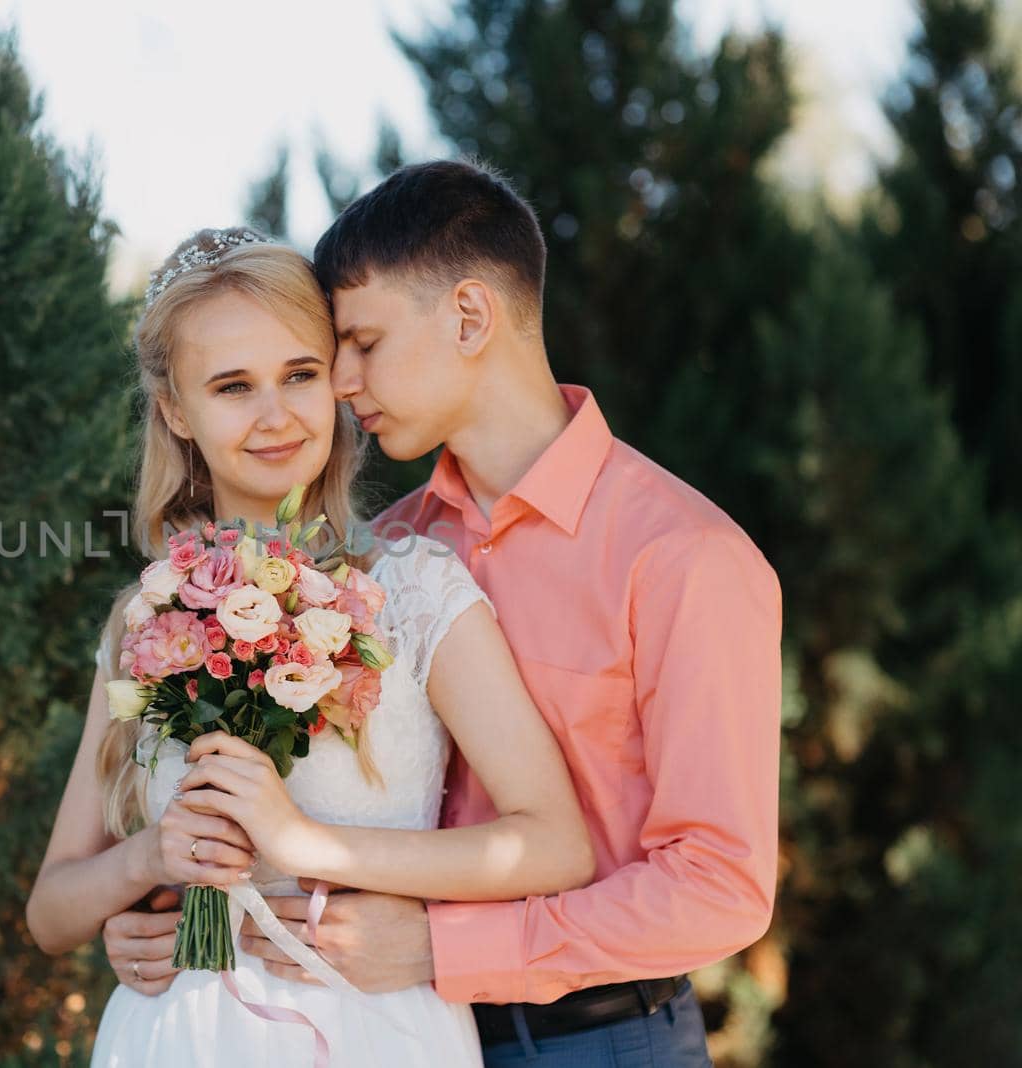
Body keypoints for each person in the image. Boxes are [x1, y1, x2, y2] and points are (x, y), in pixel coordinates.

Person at [103, 161, 785, 1066]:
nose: (340, 382)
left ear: (469, 317)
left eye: (365, 343)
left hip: (594, 1037)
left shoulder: (685, 558)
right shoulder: (377, 561)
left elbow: (721, 888)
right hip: (388, 1026)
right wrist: (154, 917)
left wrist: (443, 948)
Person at [26, 227, 597, 1067]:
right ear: (177, 410)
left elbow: (556, 844)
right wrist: (146, 861)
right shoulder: (147, 618)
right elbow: (50, 910)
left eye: (299, 374)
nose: (275, 415)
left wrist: (303, 845)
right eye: (232, 386)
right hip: (176, 1035)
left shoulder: (414, 588)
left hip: (374, 1030)